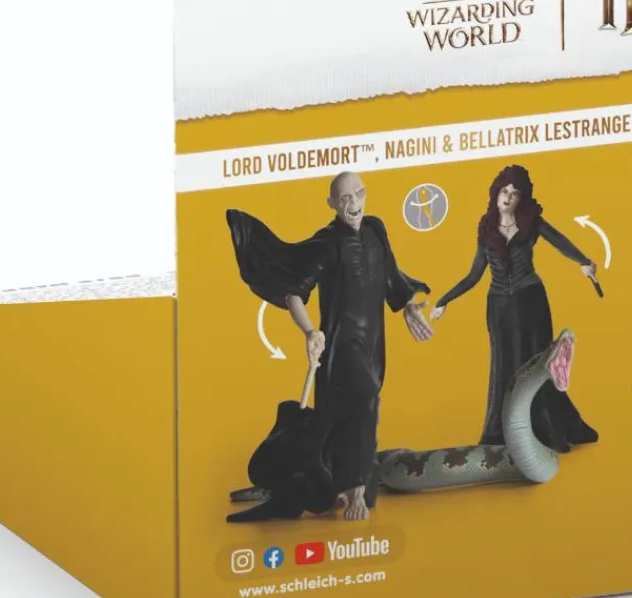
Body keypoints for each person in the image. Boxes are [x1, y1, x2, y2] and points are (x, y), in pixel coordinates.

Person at [225, 172, 433, 520]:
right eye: (345, 198)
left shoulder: (376, 230)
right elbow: (294, 293)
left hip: (372, 346)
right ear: (332, 203)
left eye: (358, 194)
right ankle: (354, 489)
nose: (353, 203)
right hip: (341, 346)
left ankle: (314, 485)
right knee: (364, 399)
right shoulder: (327, 243)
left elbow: (391, 277)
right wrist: (310, 331)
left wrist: (409, 304)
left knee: (343, 417)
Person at [429, 163, 601, 451]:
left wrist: (584, 262)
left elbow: (559, 241)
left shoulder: (532, 223)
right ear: (496, 194)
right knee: (504, 367)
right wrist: (444, 301)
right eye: (504, 191)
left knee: (539, 363)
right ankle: (501, 432)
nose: (507, 198)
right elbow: (474, 275)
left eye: (514, 193)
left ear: (522, 198)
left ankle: (548, 429)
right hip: (499, 308)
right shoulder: (486, 229)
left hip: (531, 300)